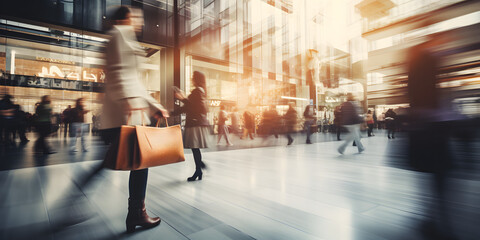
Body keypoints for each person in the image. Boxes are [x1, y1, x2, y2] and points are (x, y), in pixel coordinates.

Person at [100, 6, 168, 232]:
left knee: (131, 160)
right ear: (124, 18)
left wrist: (154, 105)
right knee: (140, 162)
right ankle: (137, 214)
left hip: (130, 111)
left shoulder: (125, 38)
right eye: (136, 17)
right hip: (126, 113)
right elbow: (119, 73)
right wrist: (129, 102)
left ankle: (136, 214)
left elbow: (134, 80)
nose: (140, 21)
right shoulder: (118, 34)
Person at [173, 71, 210, 182]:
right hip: (197, 123)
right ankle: (199, 168)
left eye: (193, 77)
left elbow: (190, 107)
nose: (191, 79)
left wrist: (182, 98)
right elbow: (190, 106)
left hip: (194, 124)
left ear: (197, 79)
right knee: (195, 149)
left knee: (195, 148)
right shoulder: (201, 92)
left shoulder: (197, 92)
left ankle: (199, 170)